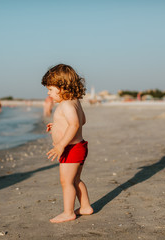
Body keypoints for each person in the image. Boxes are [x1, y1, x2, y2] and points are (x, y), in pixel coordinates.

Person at [41, 64, 93, 223]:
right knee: (76, 179)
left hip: (71, 149)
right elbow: (82, 120)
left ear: (62, 87)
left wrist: (61, 145)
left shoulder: (66, 105)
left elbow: (75, 125)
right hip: (79, 147)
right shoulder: (75, 101)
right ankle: (85, 207)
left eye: (50, 89)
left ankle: (68, 212)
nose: (48, 93)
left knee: (67, 181)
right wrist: (57, 126)